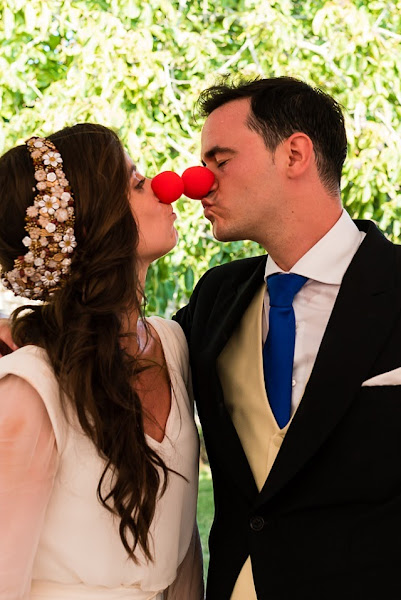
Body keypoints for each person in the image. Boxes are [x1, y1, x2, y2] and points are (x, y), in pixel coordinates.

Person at [172, 77, 401, 599]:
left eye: (220, 161)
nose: (198, 184)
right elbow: (127, 351)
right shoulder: (216, 296)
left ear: (295, 154)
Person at [0, 123, 203, 599]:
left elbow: (181, 553)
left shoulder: (173, 346)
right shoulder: (32, 387)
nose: (164, 185)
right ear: (91, 227)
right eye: (136, 183)